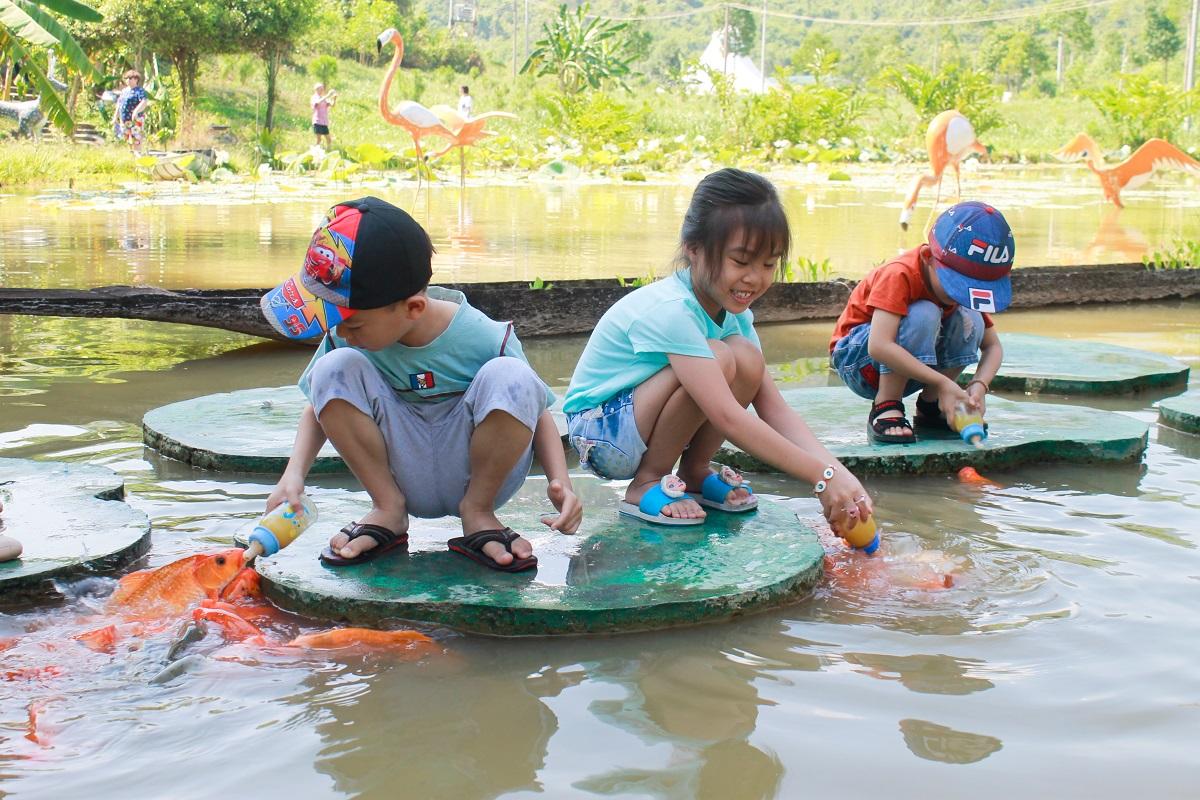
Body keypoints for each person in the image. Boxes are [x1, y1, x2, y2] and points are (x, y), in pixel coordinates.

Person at [260, 197, 582, 571]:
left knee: (512, 376)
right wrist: (292, 476)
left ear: (413, 308)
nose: (341, 331)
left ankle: (478, 513)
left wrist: (561, 482)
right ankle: (388, 510)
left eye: (354, 323)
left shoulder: (483, 336)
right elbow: (320, 406)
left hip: (476, 472)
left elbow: (535, 410)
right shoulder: (345, 338)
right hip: (399, 470)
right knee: (332, 368)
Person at [562, 168, 872, 534]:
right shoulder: (673, 309)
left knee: (746, 359)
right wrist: (820, 478)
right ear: (693, 249)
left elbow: (773, 407)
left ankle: (694, 472)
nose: (754, 278)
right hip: (601, 433)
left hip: (637, 419)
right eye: (740, 262)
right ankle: (646, 483)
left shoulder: (735, 316)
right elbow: (727, 417)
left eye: (768, 264)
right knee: (721, 357)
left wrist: (838, 473)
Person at [829, 200, 1011, 444]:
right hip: (859, 363)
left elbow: (993, 347)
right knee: (925, 312)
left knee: (971, 318)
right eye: (956, 287)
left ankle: (931, 404)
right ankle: (886, 404)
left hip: (914, 366)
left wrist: (979, 387)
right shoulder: (900, 274)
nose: (960, 296)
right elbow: (878, 346)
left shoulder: (961, 299)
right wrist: (943, 381)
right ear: (928, 258)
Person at [112, 69, 149, 155]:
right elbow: (119, 104)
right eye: (126, 78)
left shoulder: (139, 91)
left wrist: (136, 111)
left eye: (130, 78)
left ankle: (138, 156)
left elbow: (144, 101)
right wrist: (115, 117)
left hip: (135, 120)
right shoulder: (124, 91)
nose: (127, 80)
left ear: (136, 79)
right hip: (124, 120)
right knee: (128, 139)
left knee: (136, 139)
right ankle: (131, 155)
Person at [311, 83, 337, 148]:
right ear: (316, 90)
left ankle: (329, 151)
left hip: (324, 122)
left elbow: (332, 105)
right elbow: (317, 103)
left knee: (329, 139)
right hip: (317, 121)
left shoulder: (324, 98)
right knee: (319, 139)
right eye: (320, 89)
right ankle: (314, 151)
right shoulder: (314, 97)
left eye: (322, 89)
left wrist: (334, 99)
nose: (322, 90)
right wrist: (327, 95)